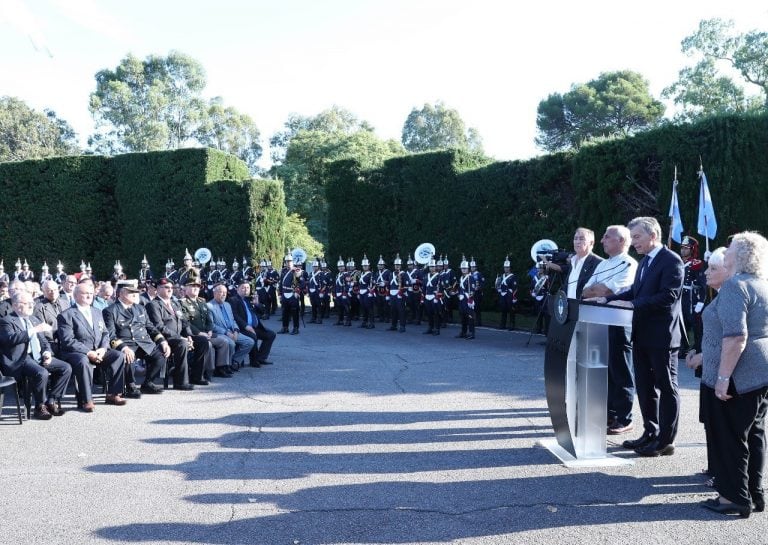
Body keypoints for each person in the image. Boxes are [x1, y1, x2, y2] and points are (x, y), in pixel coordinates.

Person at [692, 233, 768, 517]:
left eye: (731, 249)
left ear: (741, 254)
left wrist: (723, 378)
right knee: (753, 434)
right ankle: (754, 494)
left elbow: (736, 337)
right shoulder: (761, 283)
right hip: (758, 374)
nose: (726, 253)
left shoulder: (736, 285)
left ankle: (732, 498)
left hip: (737, 374)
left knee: (730, 436)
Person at [598, 217, 684, 457]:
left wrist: (632, 305)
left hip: (662, 337)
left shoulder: (671, 261)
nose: (633, 242)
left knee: (666, 388)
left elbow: (668, 296)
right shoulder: (645, 261)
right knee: (645, 388)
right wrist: (608, 299)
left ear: (653, 236)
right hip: (642, 334)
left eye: (636, 237)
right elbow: (636, 290)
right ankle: (650, 432)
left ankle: (666, 440)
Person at [582, 225, 638, 434]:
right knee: (604, 369)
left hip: (618, 322)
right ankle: (609, 413)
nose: (603, 240)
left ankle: (625, 417)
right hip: (598, 321)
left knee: (621, 369)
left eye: (607, 237)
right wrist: (595, 290)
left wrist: (597, 289)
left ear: (622, 241)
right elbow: (586, 289)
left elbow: (605, 290)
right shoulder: (603, 264)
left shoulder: (629, 264)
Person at [684, 246, 727, 488]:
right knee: (710, 421)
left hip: (721, 370)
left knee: (721, 425)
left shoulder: (731, 297)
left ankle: (723, 474)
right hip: (709, 369)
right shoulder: (717, 295)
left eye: (713, 269)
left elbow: (732, 338)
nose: (706, 274)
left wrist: (701, 356)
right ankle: (714, 467)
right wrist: (694, 349)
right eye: (707, 268)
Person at [0, 290, 72, 419]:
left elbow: (43, 341)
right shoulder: (6, 320)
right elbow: (10, 339)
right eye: (26, 303)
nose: (31, 306)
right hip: (21, 358)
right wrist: (33, 330)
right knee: (41, 373)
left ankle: (51, 400)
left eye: (31, 303)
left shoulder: (33, 319)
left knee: (65, 368)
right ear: (15, 305)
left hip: (38, 355)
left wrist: (47, 352)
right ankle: (39, 407)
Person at [57, 282, 127, 411]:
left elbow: (105, 333)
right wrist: (89, 352)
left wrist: (103, 349)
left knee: (118, 356)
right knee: (83, 362)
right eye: (85, 294)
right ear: (76, 295)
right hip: (76, 353)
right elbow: (68, 341)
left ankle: (113, 394)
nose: (89, 296)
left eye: (91, 293)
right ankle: (87, 400)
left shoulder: (97, 312)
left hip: (98, 350)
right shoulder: (66, 315)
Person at [103, 279, 170, 396]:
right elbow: (110, 334)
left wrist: (162, 341)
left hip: (144, 343)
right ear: (121, 293)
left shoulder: (140, 308)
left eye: (136, 292)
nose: (135, 294)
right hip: (126, 344)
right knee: (127, 356)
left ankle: (148, 383)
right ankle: (130, 386)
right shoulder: (110, 310)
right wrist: (123, 347)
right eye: (131, 292)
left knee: (161, 355)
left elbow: (151, 327)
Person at [146, 278, 198, 389]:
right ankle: (180, 382)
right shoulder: (153, 305)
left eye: (171, 288)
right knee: (182, 344)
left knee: (202, 341)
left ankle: (198, 376)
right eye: (166, 287)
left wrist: (188, 335)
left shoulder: (175, 304)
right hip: (164, 339)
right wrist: (180, 337)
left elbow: (184, 321)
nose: (170, 290)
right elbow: (159, 326)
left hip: (179, 337)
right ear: (158, 289)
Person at [179, 278, 233, 378]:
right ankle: (207, 370)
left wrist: (209, 331)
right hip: (193, 334)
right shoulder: (182, 303)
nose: (195, 288)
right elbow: (185, 322)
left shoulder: (202, 301)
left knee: (224, 342)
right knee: (208, 345)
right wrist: (199, 333)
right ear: (186, 289)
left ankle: (221, 367)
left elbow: (209, 319)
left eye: (197, 287)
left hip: (207, 333)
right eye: (192, 286)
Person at [545, 227, 603, 299]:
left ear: (591, 243)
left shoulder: (600, 263)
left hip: (587, 308)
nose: (577, 242)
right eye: (575, 238)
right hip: (569, 308)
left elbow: (603, 292)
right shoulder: (572, 262)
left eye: (581, 239)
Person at [229, 280, 276, 367]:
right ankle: (254, 360)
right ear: (237, 289)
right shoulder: (233, 300)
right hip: (242, 328)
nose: (246, 290)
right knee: (252, 335)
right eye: (243, 288)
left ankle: (261, 358)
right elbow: (234, 316)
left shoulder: (248, 300)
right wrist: (246, 326)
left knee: (271, 334)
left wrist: (257, 304)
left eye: (248, 288)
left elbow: (262, 312)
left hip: (255, 327)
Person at [207, 283, 254, 368]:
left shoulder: (227, 305)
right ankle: (225, 365)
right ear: (215, 293)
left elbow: (233, 320)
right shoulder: (209, 306)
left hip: (232, 331)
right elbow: (212, 325)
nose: (224, 294)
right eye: (221, 292)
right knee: (231, 343)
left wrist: (236, 330)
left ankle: (234, 361)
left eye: (225, 292)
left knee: (249, 342)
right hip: (221, 333)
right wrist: (227, 333)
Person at [679, 235, 708, 353]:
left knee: (696, 325)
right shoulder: (678, 262)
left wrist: (701, 301)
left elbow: (703, 284)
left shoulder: (696, 264)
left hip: (693, 298)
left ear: (692, 249)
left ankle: (698, 347)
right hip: (681, 297)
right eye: (682, 248)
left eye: (686, 248)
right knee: (681, 323)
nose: (683, 250)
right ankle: (683, 347)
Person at [456, 257, 477, 339]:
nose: (463, 270)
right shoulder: (461, 278)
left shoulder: (470, 278)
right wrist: (458, 294)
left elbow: (472, 290)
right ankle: (463, 332)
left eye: (465, 268)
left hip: (468, 300)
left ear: (468, 269)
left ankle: (472, 333)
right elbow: (459, 288)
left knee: (470, 317)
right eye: (462, 268)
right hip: (461, 300)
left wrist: (470, 300)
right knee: (463, 316)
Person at [388, 254, 409, 332]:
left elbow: (407, 286)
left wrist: (401, 292)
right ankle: (394, 325)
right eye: (396, 265)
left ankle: (402, 326)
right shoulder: (391, 274)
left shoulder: (404, 274)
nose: (397, 266)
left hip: (400, 295)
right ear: (394, 265)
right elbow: (390, 285)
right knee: (393, 310)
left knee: (401, 310)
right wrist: (388, 294)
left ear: (401, 265)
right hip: (392, 294)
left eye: (398, 265)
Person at [496, 256, 518, 330]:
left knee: (511, 310)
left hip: (509, 295)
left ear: (510, 268)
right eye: (505, 267)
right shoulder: (501, 276)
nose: (506, 268)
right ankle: (503, 324)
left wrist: (514, 297)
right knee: (503, 310)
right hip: (502, 294)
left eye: (507, 267)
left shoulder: (513, 276)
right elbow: (499, 285)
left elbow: (515, 287)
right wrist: (498, 288)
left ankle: (512, 325)